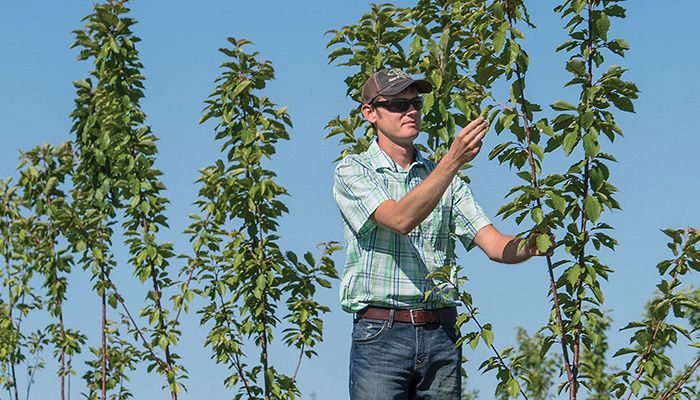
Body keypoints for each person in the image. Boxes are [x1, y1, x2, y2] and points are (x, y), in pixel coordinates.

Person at [332, 68, 551, 399]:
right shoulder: (353, 170)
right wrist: (452, 161)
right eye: (396, 104)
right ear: (370, 113)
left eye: (416, 103)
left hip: (440, 333)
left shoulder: (445, 179)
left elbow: (493, 244)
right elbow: (399, 218)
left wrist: (531, 244)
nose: (410, 111)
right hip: (380, 334)